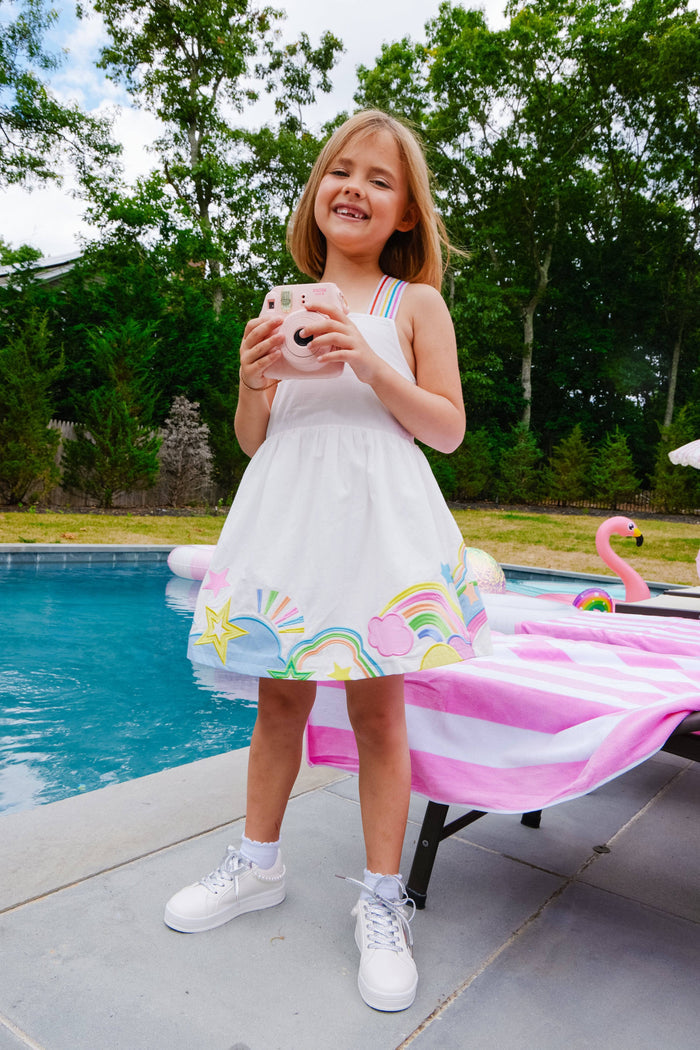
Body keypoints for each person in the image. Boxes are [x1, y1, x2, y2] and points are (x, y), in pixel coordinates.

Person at [163, 109, 491, 1013]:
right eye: (340, 171)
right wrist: (250, 377)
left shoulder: (414, 305)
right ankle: (257, 865)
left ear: (405, 217)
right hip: (290, 523)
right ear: (317, 194)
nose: (354, 186)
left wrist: (371, 364)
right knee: (279, 702)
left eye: (379, 180)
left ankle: (382, 898)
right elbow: (254, 440)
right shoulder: (280, 300)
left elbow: (449, 430)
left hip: (377, 528)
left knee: (378, 712)